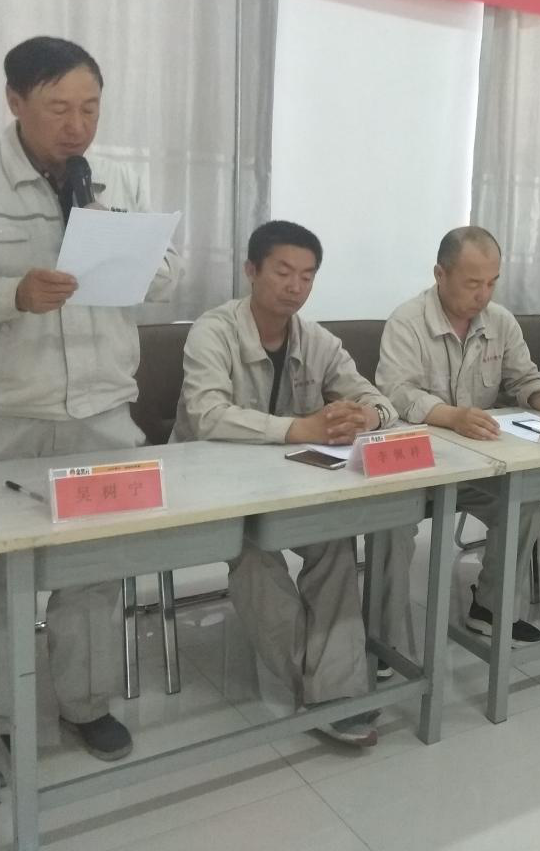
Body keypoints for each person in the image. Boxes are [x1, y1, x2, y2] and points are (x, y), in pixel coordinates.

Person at [0, 36, 183, 766]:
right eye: (58, 108)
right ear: (14, 101)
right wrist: (11, 295)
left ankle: (86, 704)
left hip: (102, 413)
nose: (76, 126)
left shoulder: (117, 179)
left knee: (94, 568)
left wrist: (125, 248)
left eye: (90, 108)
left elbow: (167, 274)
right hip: (3, 419)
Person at [172, 220, 395, 747]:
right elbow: (206, 415)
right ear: (251, 270)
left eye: (307, 276)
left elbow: (375, 398)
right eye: (283, 272)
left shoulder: (316, 339)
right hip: (211, 486)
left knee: (335, 542)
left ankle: (333, 689)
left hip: (289, 483)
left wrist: (367, 417)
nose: (295, 286)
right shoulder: (213, 331)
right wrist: (301, 428)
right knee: (253, 555)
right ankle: (323, 688)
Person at [376, 226, 540, 646]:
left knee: (524, 508)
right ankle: (382, 638)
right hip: (417, 468)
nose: (483, 295)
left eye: (492, 282)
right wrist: (451, 416)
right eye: (472, 283)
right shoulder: (407, 322)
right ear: (440, 274)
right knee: (390, 527)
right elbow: (397, 392)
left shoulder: (500, 322)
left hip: (475, 465)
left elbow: (524, 377)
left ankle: (490, 608)